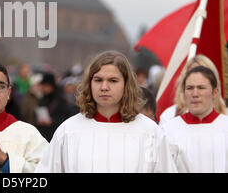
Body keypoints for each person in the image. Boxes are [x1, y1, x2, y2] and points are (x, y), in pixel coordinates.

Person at [35, 50, 177, 173]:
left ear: (126, 85)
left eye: (113, 80)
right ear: (89, 83)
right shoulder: (69, 131)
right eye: (98, 80)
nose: (104, 87)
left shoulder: (149, 132)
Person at [161, 65, 228, 172]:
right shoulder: (169, 130)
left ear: (215, 92)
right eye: (190, 88)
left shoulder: (225, 127)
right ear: (184, 92)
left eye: (201, 88)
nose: (195, 94)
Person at [159, 54, 226, 125]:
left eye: (201, 87)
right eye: (193, 72)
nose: (195, 93)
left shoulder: (225, 118)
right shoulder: (170, 117)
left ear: (215, 90)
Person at [35, 72, 75, 142]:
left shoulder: (61, 100)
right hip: (43, 137)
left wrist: (52, 121)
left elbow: (66, 119)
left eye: (46, 86)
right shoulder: (42, 99)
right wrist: (38, 121)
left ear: (52, 86)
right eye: (43, 86)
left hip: (56, 137)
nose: (44, 88)